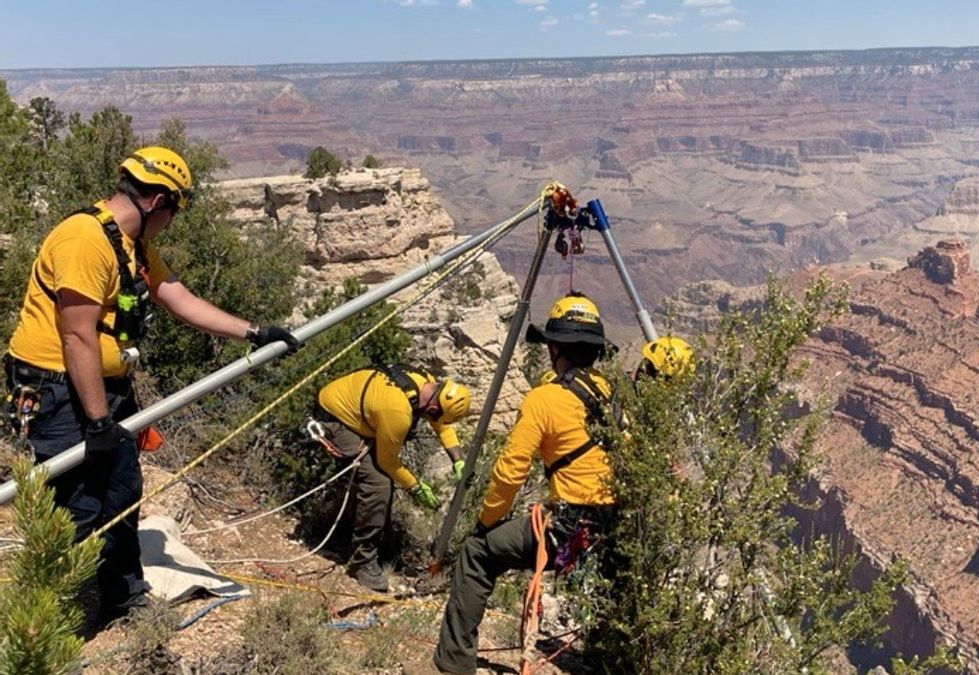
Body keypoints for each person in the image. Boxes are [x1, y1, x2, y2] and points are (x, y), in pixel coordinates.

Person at [2, 146, 300, 626]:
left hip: (104, 389)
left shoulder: (131, 243)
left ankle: (123, 599)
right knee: (75, 507)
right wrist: (98, 422)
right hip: (58, 391)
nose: (171, 223)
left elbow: (175, 296)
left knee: (121, 492)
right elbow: (76, 334)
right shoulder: (84, 239)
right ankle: (46, 626)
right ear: (158, 201)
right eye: (174, 213)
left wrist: (253, 331)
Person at [432, 291, 618, 674]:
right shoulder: (616, 394)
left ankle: (454, 663)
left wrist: (485, 523)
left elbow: (510, 471)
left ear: (554, 348)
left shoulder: (543, 399)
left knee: (477, 554)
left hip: (567, 529)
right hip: (614, 527)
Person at [308, 364, 470, 592]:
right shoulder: (398, 412)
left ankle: (352, 531)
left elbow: (441, 425)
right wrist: (416, 487)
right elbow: (388, 462)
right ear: (434, 406)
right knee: (379, 482)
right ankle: (361, 562)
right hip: (336, 418)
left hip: (358, 409)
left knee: (377, 476)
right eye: (434, 414)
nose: (433, 419)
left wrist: (458, 459)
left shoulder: (427, 383)